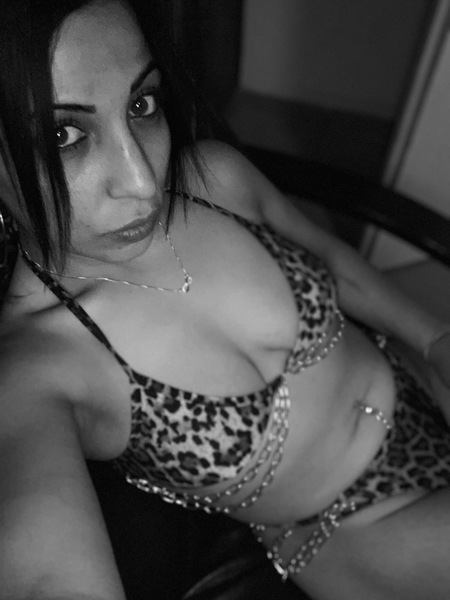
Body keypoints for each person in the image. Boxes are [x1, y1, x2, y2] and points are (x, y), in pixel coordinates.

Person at [1, 1, 450, 599]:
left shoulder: (213, 179)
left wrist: (433, 338)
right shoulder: (36, 371)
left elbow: (330, 257)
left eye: (141, 105)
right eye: (64, 136)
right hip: (364, 530)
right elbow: (46, 576)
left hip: (420, 383)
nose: (142, 181)